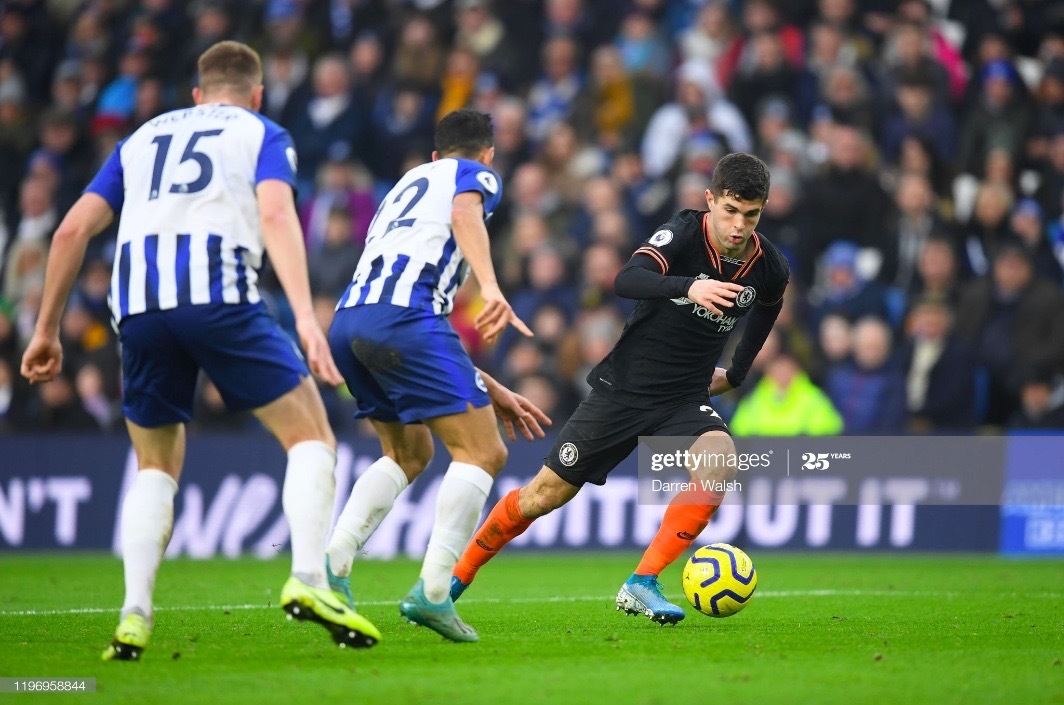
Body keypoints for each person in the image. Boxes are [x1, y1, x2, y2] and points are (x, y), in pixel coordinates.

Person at [20, 41, 380, 660]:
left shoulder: (140, 138)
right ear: (257, 93)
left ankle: (134, 615)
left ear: (195, 95)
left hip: (136, 308)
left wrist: (46, 329)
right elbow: (274, 212)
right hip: (217, 295)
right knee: (312, 438)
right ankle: (310, 579)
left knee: (155, 466)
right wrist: (303, 316)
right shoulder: (262, 130)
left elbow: (72, 228)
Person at [451, 153, 789, 624]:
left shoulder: (768, 264)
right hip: (623, 390)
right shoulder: (684, 233)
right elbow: (626, 279)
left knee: (719, 462)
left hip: (684, 397)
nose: (738, 226)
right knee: (542, 496)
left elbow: (769, 306)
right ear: (710, 200)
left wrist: (737, 371)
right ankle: (454, 579)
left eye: (750, 215)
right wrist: (689, 287)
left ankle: (642, 582)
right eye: (730, 211)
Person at [324, 108, 551, 643]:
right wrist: (492, 288)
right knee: (485, 454)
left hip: (350, 321)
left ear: (432, 154)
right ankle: (431, 594)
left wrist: (488, 387)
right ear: (487, 155)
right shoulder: (474, 175)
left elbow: (402, 304)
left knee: (409, 454)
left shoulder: (404, 185)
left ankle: (331, 566)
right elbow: (465, 213)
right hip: (406, 319)